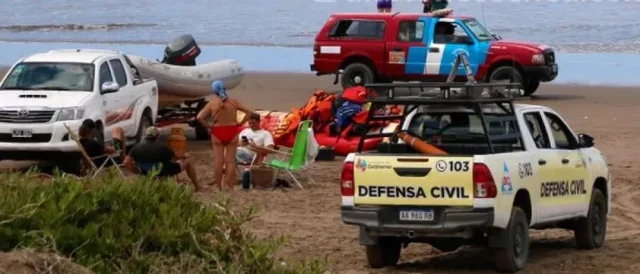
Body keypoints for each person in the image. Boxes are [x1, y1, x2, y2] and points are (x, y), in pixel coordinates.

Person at [196, 80, 253, 192]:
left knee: (219, 161)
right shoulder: (233, 102)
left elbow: (199, 117)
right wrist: (241, 123)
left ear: (214, 91)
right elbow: (250, 112)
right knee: (230, 161)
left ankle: (218, 187)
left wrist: (207, 126)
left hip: (218, 131)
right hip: (232, 130)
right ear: (224, 89)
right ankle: (230, 187)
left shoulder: (212, 104)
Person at [123, 126, 203, 191]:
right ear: (157, 136)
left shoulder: (136, 147)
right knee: (188, 161)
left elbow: (126, 162)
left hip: (145, 171)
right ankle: (197, 186)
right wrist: (186, 155)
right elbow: (176, 157)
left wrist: (138, 172)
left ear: (146, 136)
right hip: (162, 171)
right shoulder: (162, 147)